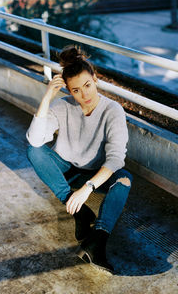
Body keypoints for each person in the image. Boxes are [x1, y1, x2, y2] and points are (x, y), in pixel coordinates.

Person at [26, 45, 133, 273]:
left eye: (87, 85)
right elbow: (35, 140)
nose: (84, 95)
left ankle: (97, 242)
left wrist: (88, 187)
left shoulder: (112, 110)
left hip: (95, 175)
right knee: (33, 151)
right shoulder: (62, 106)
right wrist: (47, 97)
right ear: (69, 90)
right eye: (75, 90)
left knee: (124, 179)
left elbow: (115, 159)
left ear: (95, 79)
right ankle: (80, 211)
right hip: (66, 168)